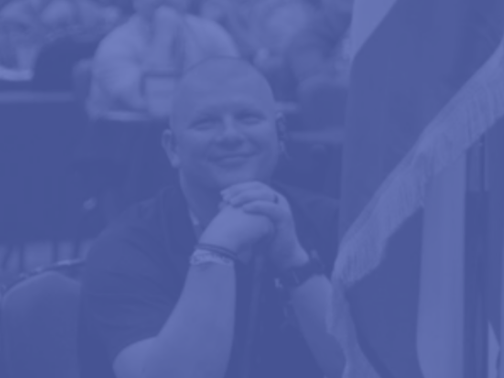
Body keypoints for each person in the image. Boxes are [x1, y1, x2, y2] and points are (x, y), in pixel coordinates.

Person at [76, 56, 347, 377]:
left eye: (247, 117)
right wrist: (216, 250)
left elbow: (371, 369)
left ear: (280, 133)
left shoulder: (332, 222)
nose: (230, 134)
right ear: (172, 148)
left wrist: (294, 262)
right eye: (206, 122)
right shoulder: (125, 247)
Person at [90, 0, 244, 122]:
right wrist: (164, 35)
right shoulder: (115, 44)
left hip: (196, 136)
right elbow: (145, 101)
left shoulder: (211, 33)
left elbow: (236, 85)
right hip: (129, 140)